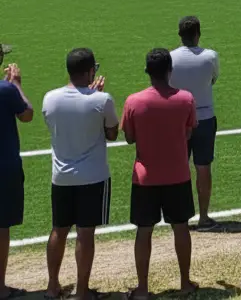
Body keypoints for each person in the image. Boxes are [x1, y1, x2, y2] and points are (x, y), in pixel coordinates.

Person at [43, 47, 119, 300]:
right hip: (92, 177)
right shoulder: (103, 100)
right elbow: (111, 134)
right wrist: (94, 96)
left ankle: (52, 287)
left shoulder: (49, 99)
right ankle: (82, 292)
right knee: (85, 234)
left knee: (59, 230)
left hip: (61, 177)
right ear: (89, 71)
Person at [122, 48, 198, 299]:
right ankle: (185, 282)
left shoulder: (133, 101)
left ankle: (143, 288)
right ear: (169, 71)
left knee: (144, 231)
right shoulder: (186, 99)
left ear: (148, 72)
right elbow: (188, 133)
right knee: (181, 228)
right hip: (178, 175)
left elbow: (130, 138)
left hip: (145, 178)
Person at [169, 16, 220, 229]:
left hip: (178, 119)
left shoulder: (170, 58)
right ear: (198, 34)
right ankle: (204, 216)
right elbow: (214, 80)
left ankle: (179, 217)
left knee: (178, 168)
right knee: (203, 167)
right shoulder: (210, 57)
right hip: (205, 118)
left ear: (180, 35)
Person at [0, 48, 33, 298]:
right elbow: (27, 114)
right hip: (5, 168)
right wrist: (17, 85)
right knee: (1, 227)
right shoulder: (7, 90)